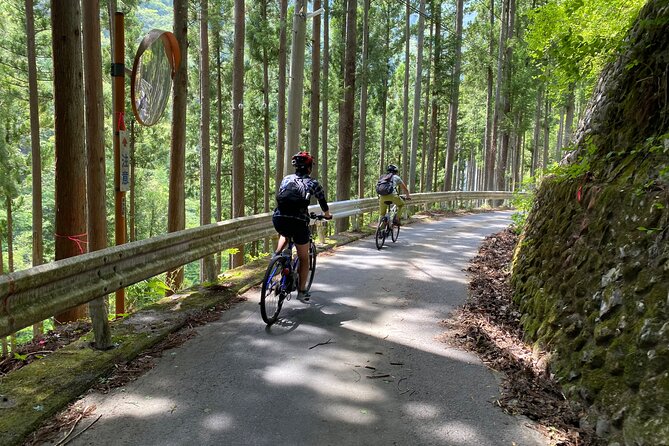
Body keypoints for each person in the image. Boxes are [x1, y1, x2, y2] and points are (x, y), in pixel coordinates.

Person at [273, 151, 332, 300]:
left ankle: (276, 257)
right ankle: (301, 291)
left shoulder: (286, 179)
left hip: (279, 218)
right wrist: (327, 215)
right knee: (304, 258)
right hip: (299, 222)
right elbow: (323, 202)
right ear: (309, 167)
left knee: (285, 234)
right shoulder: (313, 183)